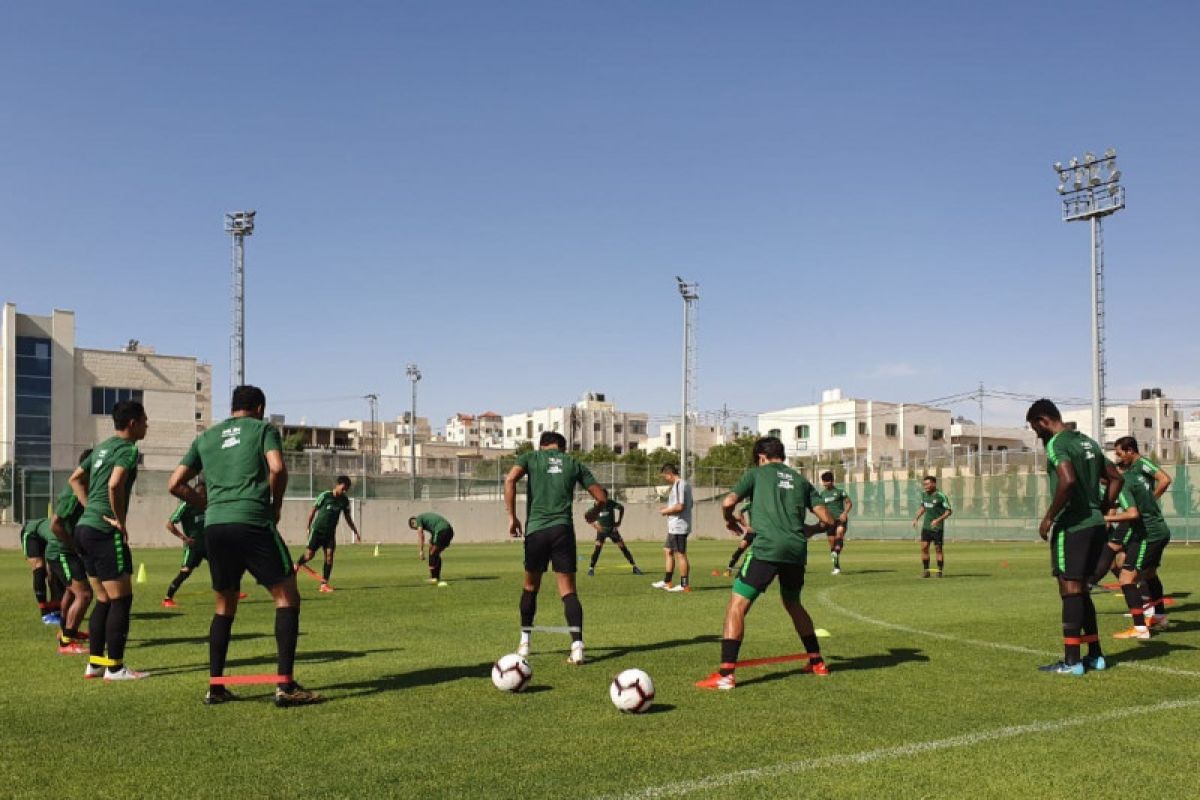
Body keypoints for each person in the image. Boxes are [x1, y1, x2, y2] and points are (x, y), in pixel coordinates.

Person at [167, 384, 320, 707]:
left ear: (232, 407)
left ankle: (216, 686)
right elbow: (277, 467)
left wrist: (205, 505)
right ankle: (285, 686)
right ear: (260, 407)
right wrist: (274, 504)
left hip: (215, 527)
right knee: (286, 596)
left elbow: (175, 483)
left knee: (224, 604)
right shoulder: (263, 429)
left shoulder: (206, 437)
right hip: (252, 520)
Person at [696, 436, 835, 690]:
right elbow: (828, 519)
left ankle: (726, 674)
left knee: (736, 605)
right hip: (795, 551)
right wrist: (811, 530)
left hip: (767, 548)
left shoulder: (756, 475)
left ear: (761, 457)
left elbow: (728, 502)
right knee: (793, 603)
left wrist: (729, 519)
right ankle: (817, 662)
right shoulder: (801, 480)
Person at [1027, 398, 1123, 675]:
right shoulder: (1088, 442)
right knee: (1081, 588)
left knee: (1069, 589)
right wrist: (1102, 508)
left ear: (1044, 421)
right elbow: (1116, 478)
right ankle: (1096, 655)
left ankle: (1072, 661)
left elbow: (1067, 480)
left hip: (1073, 526)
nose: (1036, 434)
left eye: (1035, 427)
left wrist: (1049, 518)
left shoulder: (1058, 444)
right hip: (1094, 524)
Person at [504, 431, 608, 664]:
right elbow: (601, 496)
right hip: (562, 531)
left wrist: (512, 517)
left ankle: (524, 644)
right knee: (568, 590)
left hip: (536, 530)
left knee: (530, 587)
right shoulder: (573, 463)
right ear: (562, 448)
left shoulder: (530, 457)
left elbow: (510, 480)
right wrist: (592, 513)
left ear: (542, 446)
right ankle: (577, 647)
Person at [68, 399, 149, 681]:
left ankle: (95, 663)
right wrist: (118, 519)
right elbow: (115, 484)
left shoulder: (101, 447)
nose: (147, 424)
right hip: (103, 533)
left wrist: (90, 507)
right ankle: (114, 667)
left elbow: (75, 479)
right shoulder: (127, 450)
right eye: (144, 420)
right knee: (121, 600)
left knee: (103, 599)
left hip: (83, 529)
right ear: (132, 424)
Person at [1106, 436, 1172, 638]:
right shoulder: (1131, 472)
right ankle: (1159, 616)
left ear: (1129, 451)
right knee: (1150, 574)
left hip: (1147, 529)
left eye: (1119, 453)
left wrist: (1150, 501)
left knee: (1127, 577)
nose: (1118, 458)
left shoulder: (1142, 463)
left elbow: (1165, 479)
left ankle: (1140, 628)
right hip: (1152, 527)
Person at [47, 453, 93, 653]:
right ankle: (66, 642)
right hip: (62, 552)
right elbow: (55, 525)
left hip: (68, 552)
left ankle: (67, 632)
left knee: (71, 592)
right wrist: (74, 546)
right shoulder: (73, 494)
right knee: (84, 594)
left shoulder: (83, 489)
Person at [294, 476, 360, 593]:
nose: (344, 491)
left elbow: (348, 517)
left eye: (347, 489)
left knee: (329, 557)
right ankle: (297, 564)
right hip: (317, 531)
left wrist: (355, 531)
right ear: (338, 484)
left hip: (330, 534)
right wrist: (308, 526)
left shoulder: (344, 500)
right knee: (309, 555)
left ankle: (324, 584)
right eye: (343, 488)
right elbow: (313, 510)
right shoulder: (325, 495)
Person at [162, 479, 208, 607]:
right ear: (195, 493)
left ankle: (232, 593)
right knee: (185, 571)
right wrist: (184, 538)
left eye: (206, 494)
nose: (204, 497)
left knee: (223, 566)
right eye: (202, 494)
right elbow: (169, 524)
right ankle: (167, 598)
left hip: (208, 543)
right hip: (193, 546)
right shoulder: (186, 505)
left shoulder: (208, 504)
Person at [651, 464, 692, 592]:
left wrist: (666, 511)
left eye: (664, 476)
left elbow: (680, 506)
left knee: (680, 554)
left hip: (679, 526)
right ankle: (667, 581)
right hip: (674, 525)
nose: (665, 479)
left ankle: (684, 585)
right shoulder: (679, 485)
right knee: (667, 550)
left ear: (669, 473)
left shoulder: (680, 484)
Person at [586, 497, 642, 576]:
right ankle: (591, 569)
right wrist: (594, 525)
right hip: (601, 531)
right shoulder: (594, 505)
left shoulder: (610, 503)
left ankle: (634, 567)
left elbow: (621, 508)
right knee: (597, 549)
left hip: (612, 530)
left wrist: (619, 521)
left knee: (623, 548)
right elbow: (587, 516)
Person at [19, 515, 58, 624]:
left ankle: (55, 608)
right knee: (39, 569)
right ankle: (44, 612)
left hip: (48, 537)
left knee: (54, 572)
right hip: (31, 534)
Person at [912, 476, 951, 578]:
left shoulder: (941, 496)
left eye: (927, 484)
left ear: (933, 484)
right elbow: (923, 507)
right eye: (924, 484)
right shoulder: (924, 495)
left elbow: (949, 511)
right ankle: (926, 571)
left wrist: (938, 520)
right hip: (926, 527)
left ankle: (939, 571)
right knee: (924, 548)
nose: (925, 486)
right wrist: (916, 518)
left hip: (937, 528)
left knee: (938, 549)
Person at [818, 471, 853, 575]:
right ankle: (836, 567)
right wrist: (822, 520)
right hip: (829, 522)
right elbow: (821, 509)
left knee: (840, 533)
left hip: (840, 519)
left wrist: (845, 513)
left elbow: (849, 503)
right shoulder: (822, 494)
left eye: (827, 481)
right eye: (823, 481)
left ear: (832, 481)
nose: (825, 483)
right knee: (832, 545)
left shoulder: (840, 492)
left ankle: (836, 552)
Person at [409, 512, 455, 585]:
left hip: (442, 531)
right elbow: (434, 531)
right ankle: (436, 577)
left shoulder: (418, 520)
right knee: (435, 553)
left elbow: (421, 536)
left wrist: (421, 551)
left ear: (413, 523)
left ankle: (433, 578)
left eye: (415, 528)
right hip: (449, 531)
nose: (417, 529)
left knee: (432, 553)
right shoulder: (425, 519)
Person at [719, 500, 754, 577]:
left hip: (763, 532)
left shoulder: (766, 505)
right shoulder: (751, 504)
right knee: (741, 547)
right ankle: (729, 568)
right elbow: (740, 511)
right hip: (752, 531)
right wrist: (746, 525)